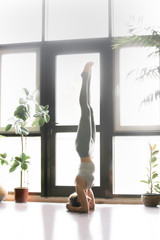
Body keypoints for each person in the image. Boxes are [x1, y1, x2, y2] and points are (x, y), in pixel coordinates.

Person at [66, 62, 96, 213]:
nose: (88, 200)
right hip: (90, 149)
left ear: (78, 198)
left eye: (83, 199)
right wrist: (87, 201)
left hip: (83, 147)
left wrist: (70, 207)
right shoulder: (87, 187)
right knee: (89, 109)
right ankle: (89, 75)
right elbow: (91, 207)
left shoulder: (79, 185)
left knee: (85, 109)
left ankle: (85, 76)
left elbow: (84, 209)